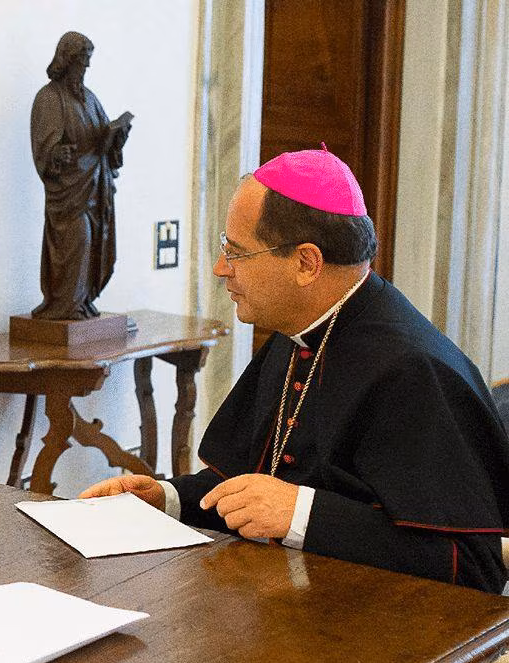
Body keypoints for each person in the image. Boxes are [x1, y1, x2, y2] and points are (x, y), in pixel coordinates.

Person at [80, 148, 509, 593]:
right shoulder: (300, 334)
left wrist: (301, 513)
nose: (220, 269)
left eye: (236, 252)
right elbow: (256, 485)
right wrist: (166, 499)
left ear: (306, 263)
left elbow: (474, 565)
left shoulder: (413, 370)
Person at [29, 31, 132, 320]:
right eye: (82, 61)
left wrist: (117, 138)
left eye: (88, 62)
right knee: (79, 239)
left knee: (96, 242)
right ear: (67, 60)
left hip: (96, 187)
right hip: (70, 194)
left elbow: (102, 143)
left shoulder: (90, 99)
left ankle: (82, 301)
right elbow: (44, 147)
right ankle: (65, 304)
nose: (86, 68)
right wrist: (56, 155)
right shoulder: (48, 98)